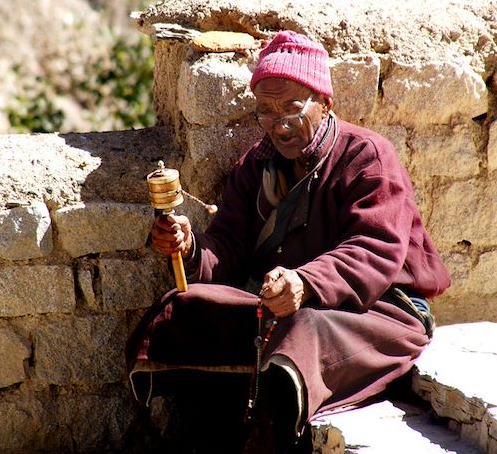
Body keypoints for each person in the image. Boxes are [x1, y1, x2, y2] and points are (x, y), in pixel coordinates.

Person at [128, 30, 451, 453]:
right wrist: (189, 247)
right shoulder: (255, 167)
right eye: (265, 111)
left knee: (301, 331)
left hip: (379, 310)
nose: (277, 123)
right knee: (181, 309)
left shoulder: (367, 156)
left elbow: (374, 249)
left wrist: (305, 283)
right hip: (284, 308)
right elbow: (226, 250)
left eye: (291, 108)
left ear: (325, 103)